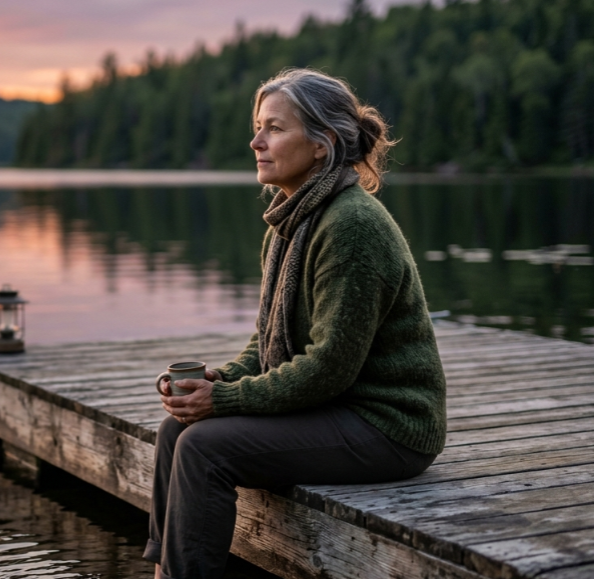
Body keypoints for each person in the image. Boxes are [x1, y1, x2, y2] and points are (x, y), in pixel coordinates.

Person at [143, 68, 447, 579]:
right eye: (258, 126)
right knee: (177, 428)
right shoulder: (291, 221)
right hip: (336, 409)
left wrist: (225, 401)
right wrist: (219, 380)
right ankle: (163, 571)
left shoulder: (352, 224)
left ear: (323, 144)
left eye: (274, 128)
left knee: (204, 447)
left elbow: (329, 366)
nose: (255, 141)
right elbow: (268, 341)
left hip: (388, 426)